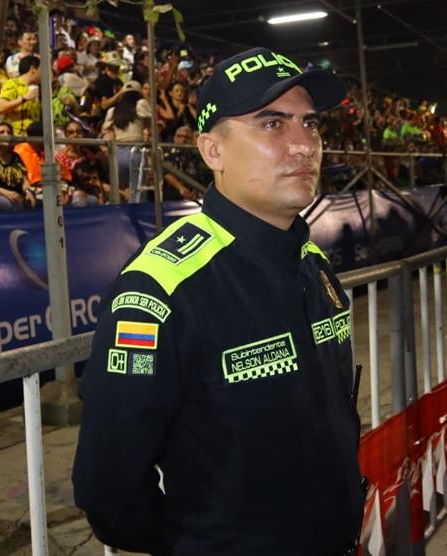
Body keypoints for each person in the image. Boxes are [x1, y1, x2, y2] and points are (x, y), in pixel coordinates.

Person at [73, 46, 363, 554]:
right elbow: (109, 487)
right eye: (272, 125)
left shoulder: (310, 260)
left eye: (311, 124)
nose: (303, 145)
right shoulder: (160, 289)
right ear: (213, 152)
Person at [0, 55, 41, 137]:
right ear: (33, 69)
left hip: (33, 138)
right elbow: (0, 108)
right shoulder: (12, 83)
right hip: (15, 137)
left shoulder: (39, 88)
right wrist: (23, 98)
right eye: (41, 70)